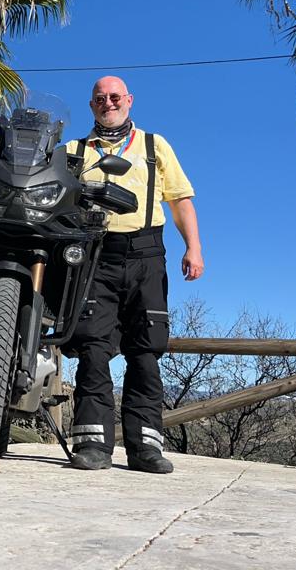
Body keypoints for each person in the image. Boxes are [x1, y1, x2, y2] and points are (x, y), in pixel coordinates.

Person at [65, 76, 204, 474]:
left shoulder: (154, 145)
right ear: (91, 105)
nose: (107, 103)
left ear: (129, 100)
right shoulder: (73, 151)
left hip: (146, 253)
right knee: (93, 348)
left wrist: (194, 247)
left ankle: (145, 448)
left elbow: (180, 201)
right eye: (99, 98)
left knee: (145, 349)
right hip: (94, 256)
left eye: (114, 97)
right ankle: (93, 445)